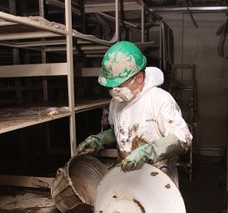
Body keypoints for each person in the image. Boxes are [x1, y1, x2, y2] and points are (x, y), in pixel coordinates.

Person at [77, 40, 192, 187]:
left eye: (119, 84)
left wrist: (148, 152)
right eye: (112, 86)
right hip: (128, 179)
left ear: (139, 78)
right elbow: (119, 131)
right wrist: (99, 140)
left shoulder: (159, 100)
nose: (114, 90)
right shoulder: (116, 102)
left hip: (158, 181)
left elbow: (183, 138)